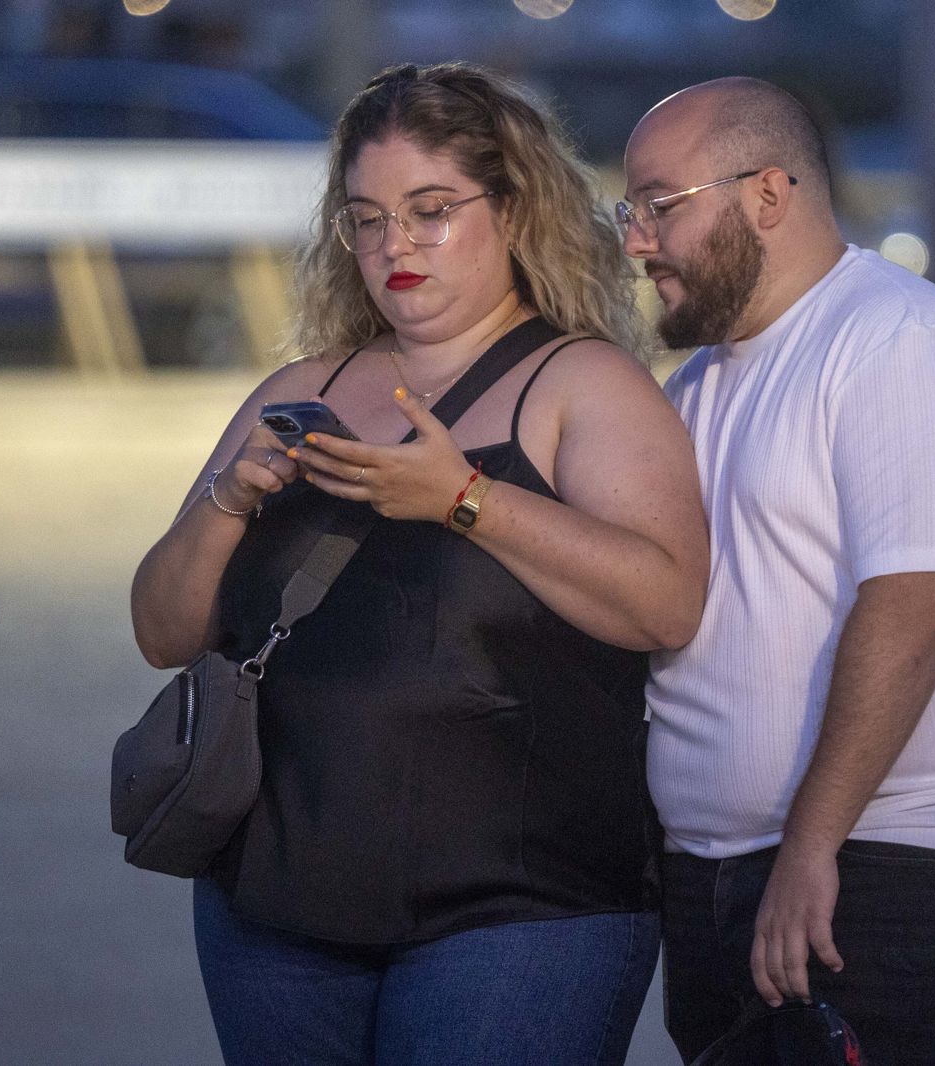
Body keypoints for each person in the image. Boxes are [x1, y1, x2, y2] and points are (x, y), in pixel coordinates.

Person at [130, 63, 709, 1066]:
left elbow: (666, 603)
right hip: (272, 903)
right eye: (364, 218)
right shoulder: (306, 385)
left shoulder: (580, 385)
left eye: (430, 210)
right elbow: (159, 632)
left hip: (520, 914)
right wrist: (230, 500)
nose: (392, 244)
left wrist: (462, 498)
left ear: (515, 209)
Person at [620, 78, 935, 1065]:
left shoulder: (898, 340)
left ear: (764, 194)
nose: (636, 240)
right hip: (727, 877)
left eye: (660, 205)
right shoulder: (696, 386)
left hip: (905, 857)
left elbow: (915, 607)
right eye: (628, 211)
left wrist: (809, 842)